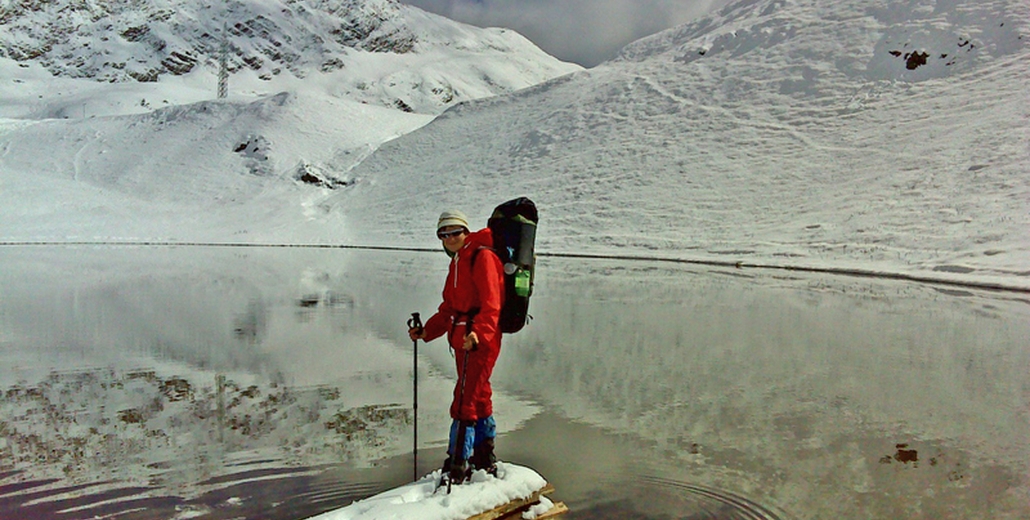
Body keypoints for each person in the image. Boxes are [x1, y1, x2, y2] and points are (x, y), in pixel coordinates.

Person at [408, 209, 505, 485]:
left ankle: (457, 465)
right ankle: (484, 459)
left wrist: (479, 335)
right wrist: (426, 331)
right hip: (463, 341)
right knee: (479, 395)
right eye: (444, 234)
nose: (450, 238)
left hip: (479, 342)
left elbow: (492, 304)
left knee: (464, 401)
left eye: (455, 232)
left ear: (466, 231)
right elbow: (449, 308)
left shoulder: (482, 256)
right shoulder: (459, 261)